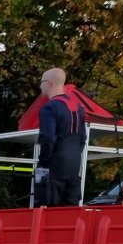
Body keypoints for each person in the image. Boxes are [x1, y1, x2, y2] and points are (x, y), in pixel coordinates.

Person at [35, 67, 86, 207]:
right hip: (74, 169)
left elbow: (47, 139)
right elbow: (82, 139)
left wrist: (43, 163)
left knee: (48, 211)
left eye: (41, 82)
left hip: (53, 169)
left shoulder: (49, 108)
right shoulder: (79, 108)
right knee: (70, 213)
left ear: (49, 83)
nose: (40, 86)